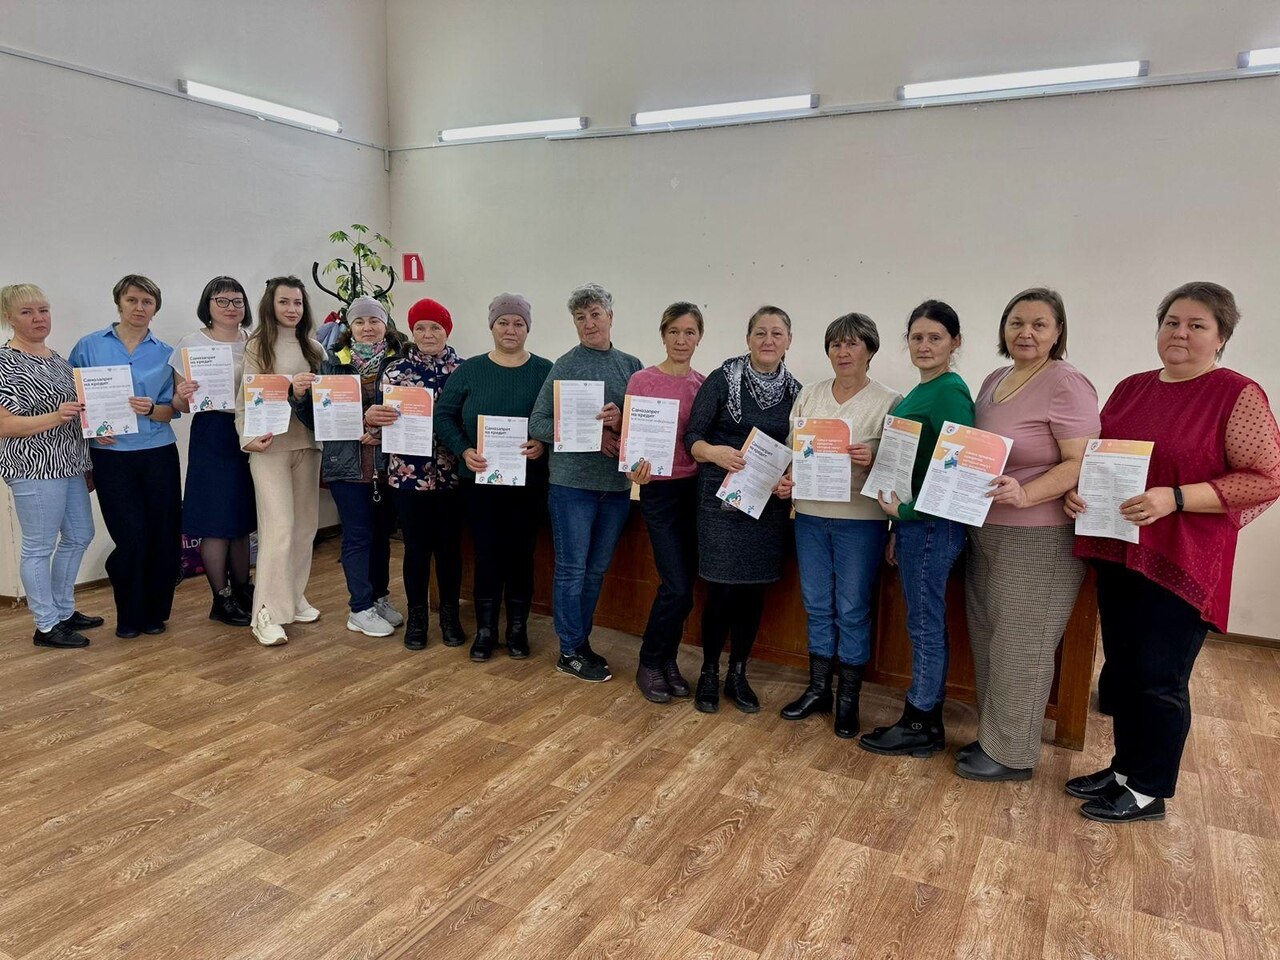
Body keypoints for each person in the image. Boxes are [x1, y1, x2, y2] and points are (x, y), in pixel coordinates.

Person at [1066, 282, 1280, 823]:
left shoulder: (1236, 394)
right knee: (1125, 668)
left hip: (1184, 557)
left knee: (1160, 678)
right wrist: (1079, 491)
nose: (1180, 333)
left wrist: (1176, 498)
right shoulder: (1132, 388)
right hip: (1121, 549)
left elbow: (1266, 478)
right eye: (1172, 322)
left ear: (1222, 337)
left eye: (1197, 325)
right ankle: (1123, 771)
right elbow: (1103, 458)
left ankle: (1148, 790)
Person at [957, 288, 1099, 782]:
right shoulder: (995, 379)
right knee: (990, 637)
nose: (1026, 333)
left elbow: (1081, 461)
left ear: (1057, 332)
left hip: (1041, 536)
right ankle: (993, 736)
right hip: (986, 529)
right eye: (1016, 322)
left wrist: (1028, 493)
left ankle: (1014, 755)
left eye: (1040, 324)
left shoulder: (1066, 382)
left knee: (1024, 645)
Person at [860, 301, 973, 756]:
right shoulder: (922, 390)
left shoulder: (949, 392)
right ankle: (923, 718)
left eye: (935, 338)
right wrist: (896, 523)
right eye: (917, 337)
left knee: (925, 624)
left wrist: (905, 516)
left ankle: (921, 723)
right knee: (922, 621)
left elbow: (955, 472)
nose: (924, 346)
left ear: (955, 342)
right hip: (914, 525)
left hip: (932, 526)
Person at [781, 313, 899, 736]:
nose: (843, 352)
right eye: (836, 344)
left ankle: (849, 700)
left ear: (870, 350)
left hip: (861, 521)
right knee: (816, 604)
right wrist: (787, 479)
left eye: (852, 344)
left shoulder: (890, 401)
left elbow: (900, 467)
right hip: (810, 516)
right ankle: (818, 690)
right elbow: (792, 452)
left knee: (851, 609)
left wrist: (876, 457)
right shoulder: (809, 395)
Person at [686, 305, 802, 713]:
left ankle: (738, 673)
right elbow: (692, 437)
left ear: (789, 341)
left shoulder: (797, 393)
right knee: (721, 589)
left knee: (753, 591)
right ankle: (709, 672)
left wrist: (790, 478)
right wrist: (715, 452)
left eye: (777, 333)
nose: (768, 340)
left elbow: (798, 450)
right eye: (760, 333)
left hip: (767, 506)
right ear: (748, 338)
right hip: (721, 501)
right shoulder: (722, 379)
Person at [529, 284, 642, 682]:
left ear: (610, 317)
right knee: (572, 570)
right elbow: (538, 424)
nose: (589, 323)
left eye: (595, 314)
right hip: (571, 486)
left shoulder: (631, 366)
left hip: (616, 488)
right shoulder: (565, 365)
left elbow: (643, 425)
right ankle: (569, 650)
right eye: (581, 317)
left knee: (595, 572)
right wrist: (595, 435)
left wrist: (621, 422)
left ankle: (581, 642)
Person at [435, 293, 550, 661]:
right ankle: (486, 630)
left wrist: (543, 443)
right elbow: (443, 416)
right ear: (492, 327)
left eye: (518, 323)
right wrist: (463, 449)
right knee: (487, 555)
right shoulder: (470, 370)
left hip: (527, 483)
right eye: (503, 322)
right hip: (480, 482)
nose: (510, 329)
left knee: (521, 555)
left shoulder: (545, 371)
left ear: (528, 329)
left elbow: (556, 418)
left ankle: (517, 629)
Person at [69, 274, 181, 639]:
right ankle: (129, 615)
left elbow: (171, 411)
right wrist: (89, 436)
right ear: (119, 303)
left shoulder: (166, 353)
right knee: (130, 537)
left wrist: (150, 408)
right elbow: (73, 402)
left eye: (147, 302)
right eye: (132, 300)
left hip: (158, 453)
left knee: (162, 535)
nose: (139, 307)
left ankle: (155, 613)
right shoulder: (88, 346)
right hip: (111, 456)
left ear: (155, 308)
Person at [297, 297, 405, 638]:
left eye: (374, 320)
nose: (367, 327)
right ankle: (359, 608)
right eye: (360, 321)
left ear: (385, 325)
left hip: (389, 465)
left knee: (382, 537)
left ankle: (379, 597)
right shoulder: (330, 364)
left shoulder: (400, 361)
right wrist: (298, 397)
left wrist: (379, 430)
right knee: (358, 536)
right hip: (346, 466)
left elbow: (411, 412)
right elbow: (315, 419)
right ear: (349, 327)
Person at [0, 284, 101, 648]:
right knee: (39, 546)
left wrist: (91, 447)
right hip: (34, 467)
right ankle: (46, 625)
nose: (38, 318)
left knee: (80, 534)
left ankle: (63, 610)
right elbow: (4, 425)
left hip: (71, 463)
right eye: (27, 312)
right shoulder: (4, 362)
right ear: (9, 318)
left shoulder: (58, 359)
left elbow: (76, 414)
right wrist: (55, 417)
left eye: (43, 310)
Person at [624, 302, 707, 702]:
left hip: (695, 492)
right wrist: (632, 469)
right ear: (663, 335)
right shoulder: (642, 380)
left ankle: (668, 660)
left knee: (686, 585)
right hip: (658, 493)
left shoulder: (703, 385)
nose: (681, 339)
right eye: (674, 331)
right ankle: (650, 661)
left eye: (689, 332)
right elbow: (630, 441)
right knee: (676, 585)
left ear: (699, 338)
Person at [236, 276, 325, 646]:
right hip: (269, 447)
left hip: (309, 445)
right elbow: (247, 397)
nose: (292, 309)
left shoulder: (315, 347)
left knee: (305, 528)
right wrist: (247, 438)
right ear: (270, 305)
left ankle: (292, 596)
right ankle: (266, 614)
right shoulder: (258, 345)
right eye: (284, 302)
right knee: (279, 529)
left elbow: (326, 399)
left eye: (298, 303)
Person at [373, 298, 464, 650]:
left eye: (435, 327)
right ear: (412, 331)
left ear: (447, 331)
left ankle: (450, 617)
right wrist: (373, 420)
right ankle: (417, 618)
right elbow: (380, 419)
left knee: (450, 548)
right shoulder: (394, 371)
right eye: (420, 327)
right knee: (415, 548)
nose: (428, 334)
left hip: (452, 475)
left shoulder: (464, 370)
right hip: (408, 477)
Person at [170, 276, 257, 627]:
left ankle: (243, 589)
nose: (230, 307)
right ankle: (220, 597)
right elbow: (180, 404)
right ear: (207, 305)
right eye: (221, 301)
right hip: (213, 432)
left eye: (237, 301)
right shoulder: (191, 344)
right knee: (216, 520)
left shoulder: (253, 341)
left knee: (241, 520)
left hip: (249, 430)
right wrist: (183, 395)